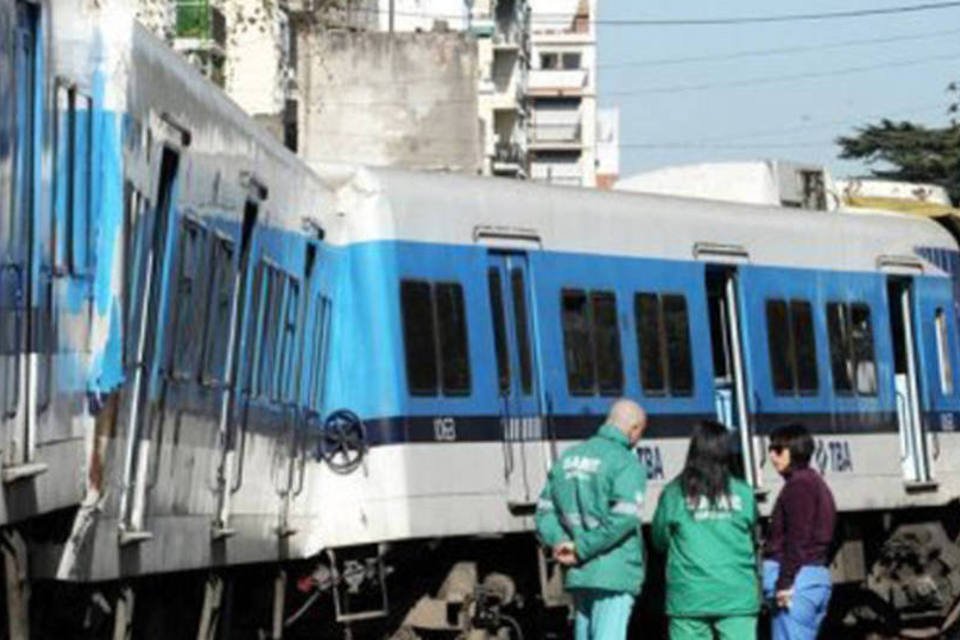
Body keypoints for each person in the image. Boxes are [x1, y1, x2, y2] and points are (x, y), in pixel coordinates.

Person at [534, 399, 648, 640]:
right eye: (641, 433)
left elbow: (544, 512)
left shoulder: (567, 458)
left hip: (580, 574)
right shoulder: (625, 462)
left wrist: (563, 543)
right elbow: (624, 519)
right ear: (634, 429)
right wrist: (582, 548)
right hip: (613, 574)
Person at [651, 421, 760, 640]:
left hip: (690, 597)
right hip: (736, 594)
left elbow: (659, 540)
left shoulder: (674, 493)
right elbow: (752, 535)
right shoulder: (744, 493)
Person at [763, 424, 836, 640]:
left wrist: (785, 583)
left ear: (794, 451)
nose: (771, 456)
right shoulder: (815, 482)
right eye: (771, 450)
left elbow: (797, 539)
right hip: (812, 578)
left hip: (797, 583)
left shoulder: (799, 487)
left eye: (778, 450)